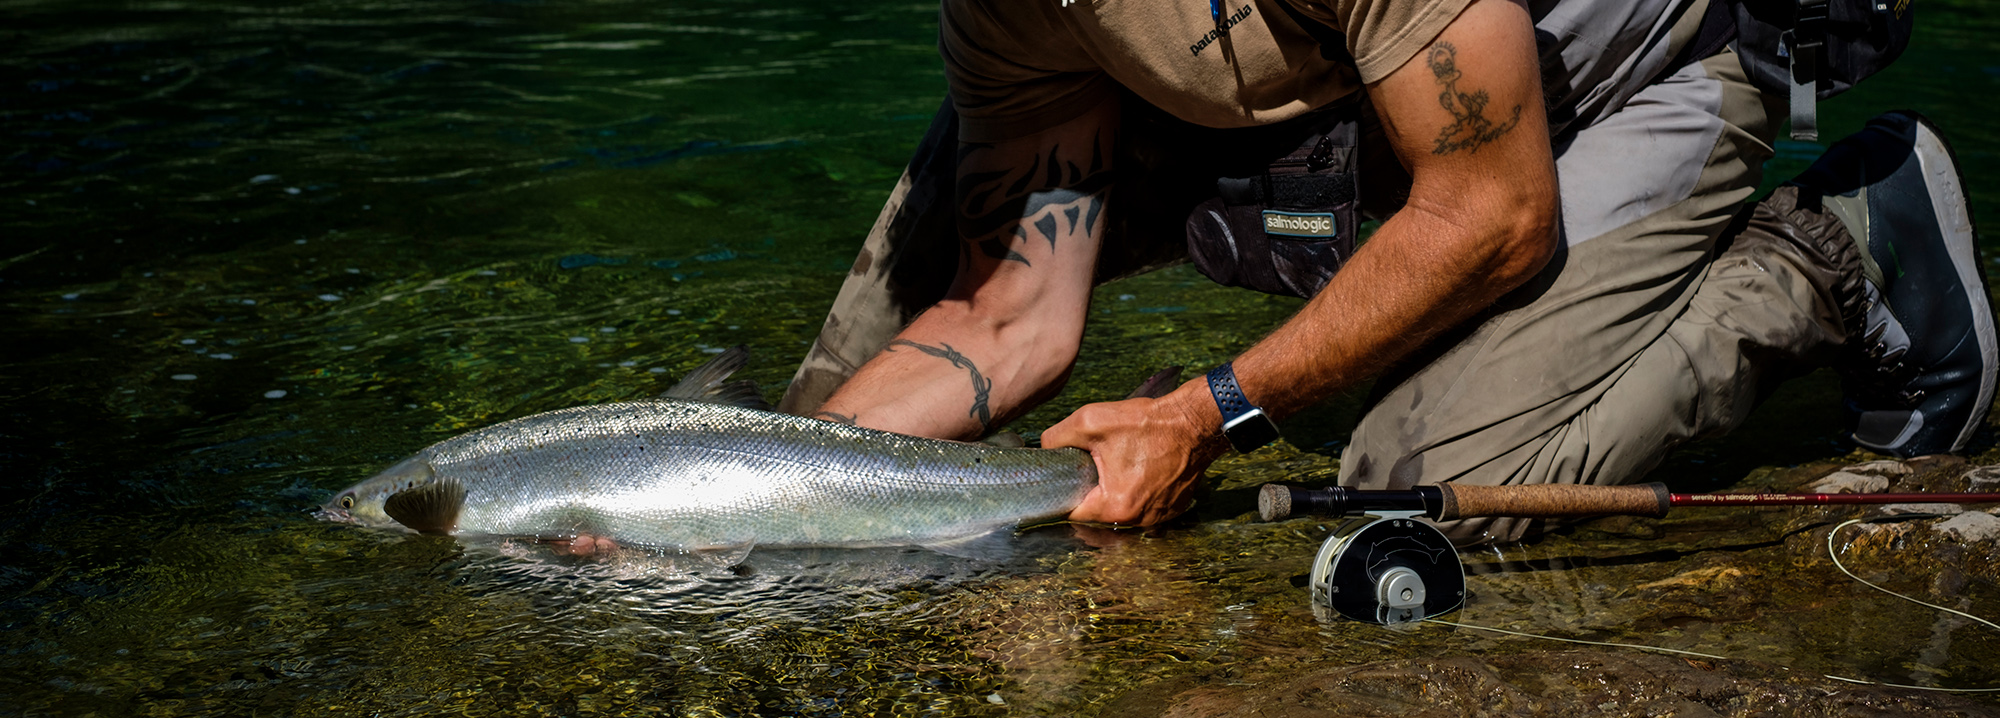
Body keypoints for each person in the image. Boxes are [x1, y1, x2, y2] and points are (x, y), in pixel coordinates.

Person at [777, 0, 1996, 544]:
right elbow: (1009, 312)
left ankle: (1830, 245)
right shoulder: (1008, 12)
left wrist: (1206, 412)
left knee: (1422, 483)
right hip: (1368, 102)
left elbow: (1491, 214)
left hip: (1626, 86)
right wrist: (759, 490)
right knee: (928, 234)